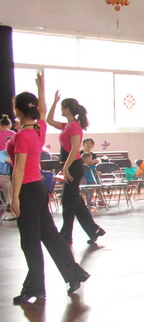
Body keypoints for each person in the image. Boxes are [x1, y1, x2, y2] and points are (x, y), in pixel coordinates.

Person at [9, 72, 90, 305]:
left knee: (30, 241)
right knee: (50, 236)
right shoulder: (38, 129)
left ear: (17, 110)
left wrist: (14, 197)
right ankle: (74, 274)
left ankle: (35, 288)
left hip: (27, 190)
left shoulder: (23, 135)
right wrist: (41, 87)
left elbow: (19, 169)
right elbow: (43, 112)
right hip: (38, 189)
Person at [46, 92, 105, 245]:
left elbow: (74, 150)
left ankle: (66, 235)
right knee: (74, 202)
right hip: (69, 166)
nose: (61, 109)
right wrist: (54, 102)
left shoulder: (75, 127)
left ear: (68, 109)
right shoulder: (67, 125)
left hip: (73, 166)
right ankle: (94, 230)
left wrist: (65, 168)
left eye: (62, 107)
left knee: (68, 201)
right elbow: (49, 120)